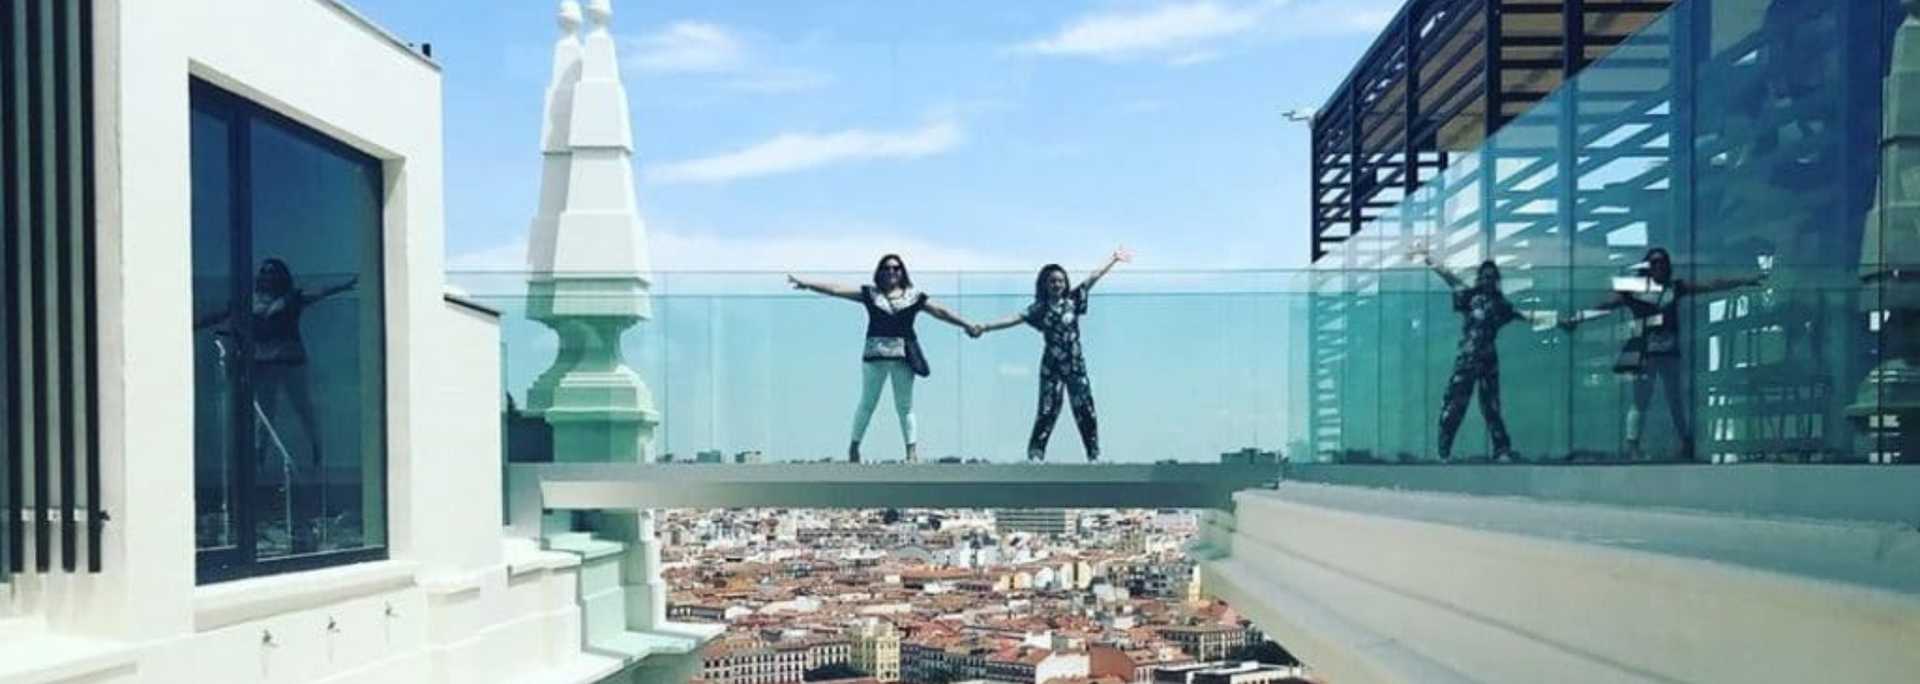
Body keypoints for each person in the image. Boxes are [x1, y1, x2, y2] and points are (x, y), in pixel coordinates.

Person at [1561, 247, 1765, 461]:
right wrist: (1577, 319)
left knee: (1675, 400)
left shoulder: (1673, 287)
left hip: (1668, 351)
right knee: (1641, 400)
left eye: (1661, 263)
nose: (1658, 266)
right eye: (1654, 263)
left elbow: (1711, 285)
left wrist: (1743, 281)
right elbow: (1605, 306)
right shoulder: (1636, 289)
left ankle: (1685, 443)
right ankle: (1634, 446)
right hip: (1646, 351)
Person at [788, 255, 976, 463]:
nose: (891, 272)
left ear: (902, 272)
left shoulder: (914, 297)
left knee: (904, 406)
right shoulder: (870, 294)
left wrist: (966, 324)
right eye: (887, 268)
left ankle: (911, 452)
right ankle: (854, 447)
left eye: (896, 268)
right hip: (874, 355)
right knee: (867, 403)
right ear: (880, 272)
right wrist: (806, 284)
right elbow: (836, 289)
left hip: (903, 357)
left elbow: (940, 311)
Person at [972, 247, 1131, 462]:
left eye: (1060, 281)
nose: (1057, 285)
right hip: (1051, 367)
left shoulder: (1073, 300)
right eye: (1052, 281)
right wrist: (986, 327)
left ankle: (1093, 454)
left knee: (1085, 408)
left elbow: (1093, 278)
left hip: (1076, 365)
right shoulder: (1040, 308)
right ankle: (1036, 453)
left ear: (1065, 283)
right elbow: (1014, 318)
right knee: (1048, 409)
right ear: (1045, 285)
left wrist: (1112, 259)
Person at [198, 258, 358, 468]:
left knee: (302, 406)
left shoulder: (291, 299)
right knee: (265, 411)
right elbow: (220, 315)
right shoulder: (248, 301)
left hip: (291, 361)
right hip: (263, 361)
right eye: (265, 273)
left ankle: (316, 446)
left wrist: (344, 286)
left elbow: (320, 292)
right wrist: (194, 324)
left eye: (273, 273)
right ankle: (259, 455)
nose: (269, 277)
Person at [1410, 242, 1552, 462]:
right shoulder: (1470, 296)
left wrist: (1561, 321)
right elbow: (1448, 276)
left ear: (1496, 280)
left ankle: (1501, 450)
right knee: (1454, 404)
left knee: (1491, 405)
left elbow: (1528, 316)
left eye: (1490, 277)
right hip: (1467, 358)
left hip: (1487, 359)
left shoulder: (1501, 305)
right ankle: (1443, 452)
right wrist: (1427, 257)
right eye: (1483, 276)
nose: (1486, 280)